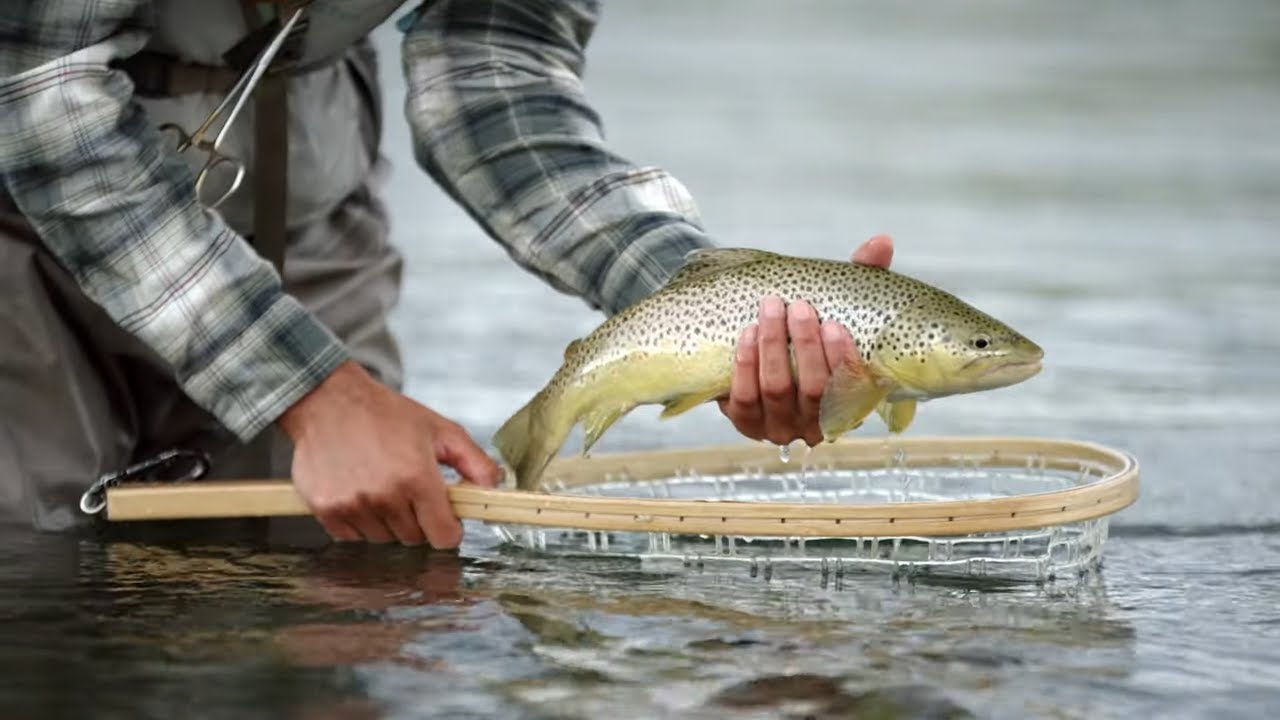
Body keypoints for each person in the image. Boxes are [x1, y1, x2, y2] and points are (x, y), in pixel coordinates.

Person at [0, 0, 894, 547]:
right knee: (35, 569)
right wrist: (315, 393)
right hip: (21, 206)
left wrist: (702, 300)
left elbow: (491, 77)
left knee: (356, 575)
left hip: (305, 175)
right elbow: (39, 90)